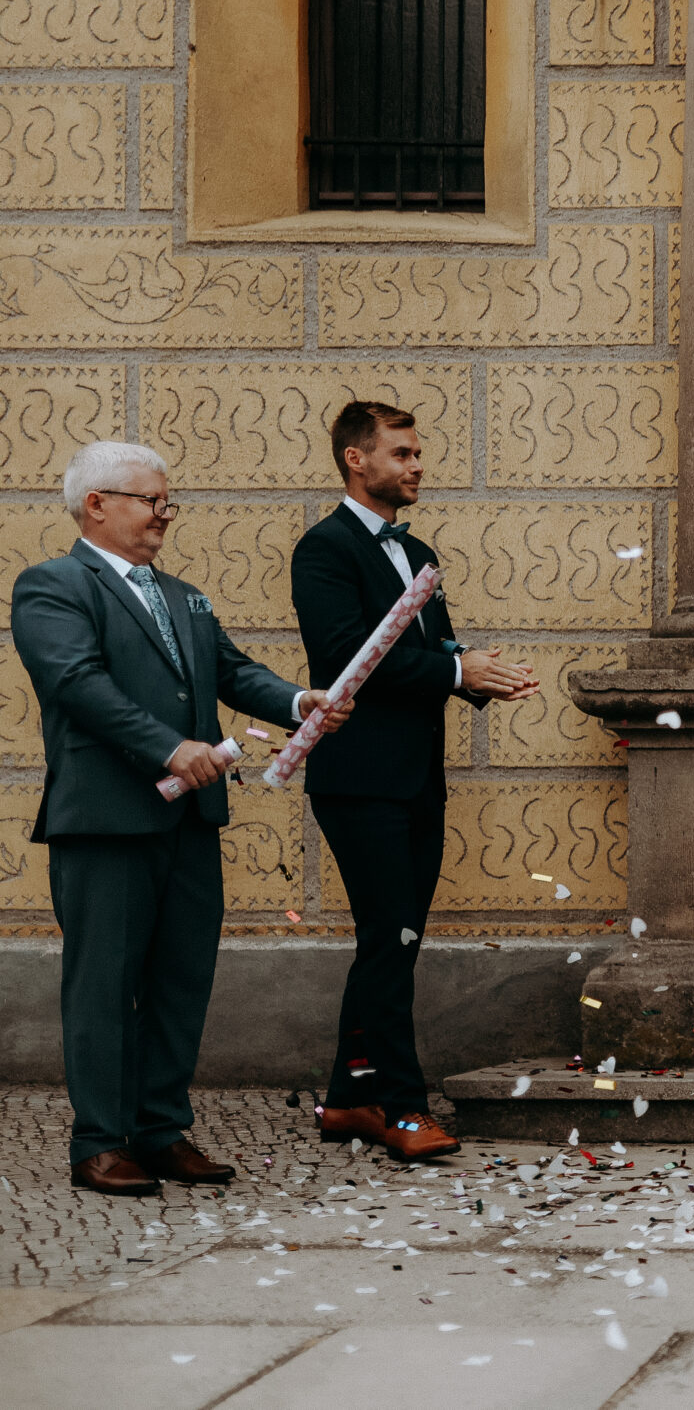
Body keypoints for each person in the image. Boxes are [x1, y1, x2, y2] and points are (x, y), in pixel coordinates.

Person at [15, 442, 348, 1195]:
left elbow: (231, 671)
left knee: (180, 979)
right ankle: (100, 1141)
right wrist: (168, 748)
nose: (166, 513)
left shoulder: (184, 596)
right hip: (105, 821)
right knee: (104, 984)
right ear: (96, 503)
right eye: (151, 500)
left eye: (169, 501)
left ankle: (161, 1130)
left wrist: (300, 701)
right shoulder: (52, 586)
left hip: (190, 820)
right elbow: (76, 682)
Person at [292, 401, 537, 1161]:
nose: (418, 465)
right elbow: (348, 658)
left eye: (417, 452)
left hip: (416, 777)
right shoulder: (324, 549)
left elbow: (432, 646)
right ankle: (401, 1107)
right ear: (356, 459)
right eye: (402, 453)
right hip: (359, 778)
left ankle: (348, 1098)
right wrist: (456, 671)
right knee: (388, 938)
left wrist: (476, 671)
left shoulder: (418, 548)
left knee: (392, 941)